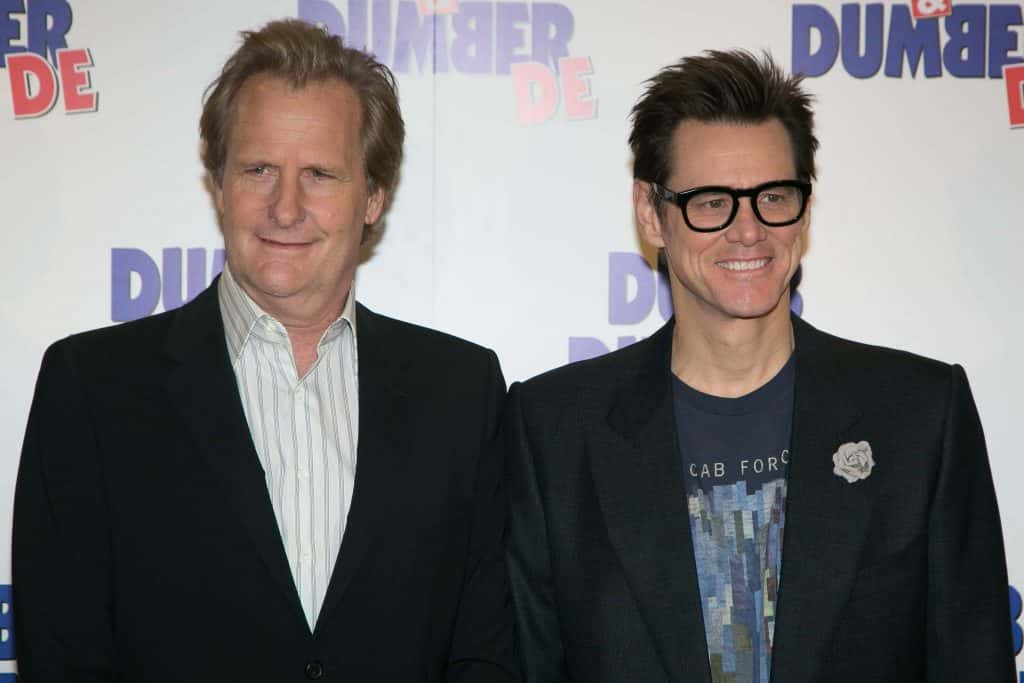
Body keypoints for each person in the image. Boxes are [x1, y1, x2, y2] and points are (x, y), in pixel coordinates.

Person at [14, 19, 517, 682]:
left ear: (372, 198)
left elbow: (488, 649)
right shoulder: (92, 388)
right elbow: (63, 654)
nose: (285, 207)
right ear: (218, 185)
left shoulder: (462, 390)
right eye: (258, 169)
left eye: (319, 174)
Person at [505, 49, 1014, 682]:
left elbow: (974, 661)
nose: (749, 231)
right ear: (650, 213)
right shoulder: (554, 432)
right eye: (712, 202)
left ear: (804, 208)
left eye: (774, 196)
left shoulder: (920, 417)